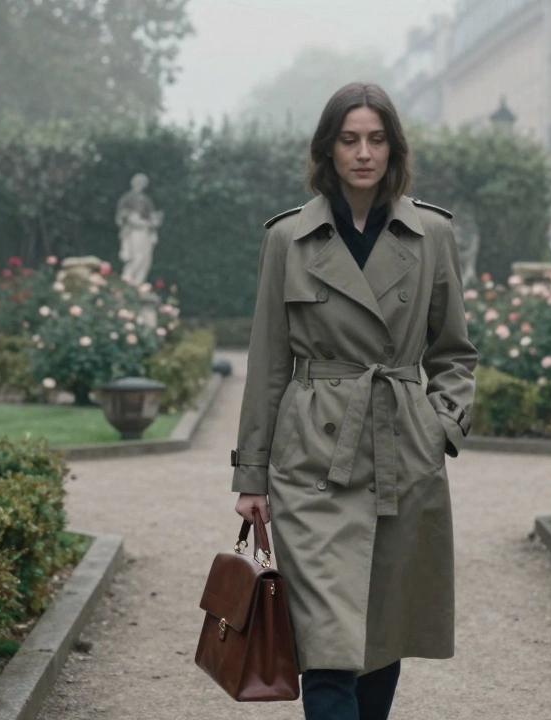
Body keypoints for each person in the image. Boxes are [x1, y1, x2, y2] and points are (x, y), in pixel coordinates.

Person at [230, 82, 477, 720]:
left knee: (381, 627)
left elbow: (454, 352)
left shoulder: (431, 233)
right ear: (328, 149)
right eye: (348, 140)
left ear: (393, 148)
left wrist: (440, 426)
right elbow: (266, 363)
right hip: (312, 459)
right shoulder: (288, 238)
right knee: (325, 642)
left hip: (403, 453)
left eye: (375, 139)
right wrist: (251, 474)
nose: (363, 153)